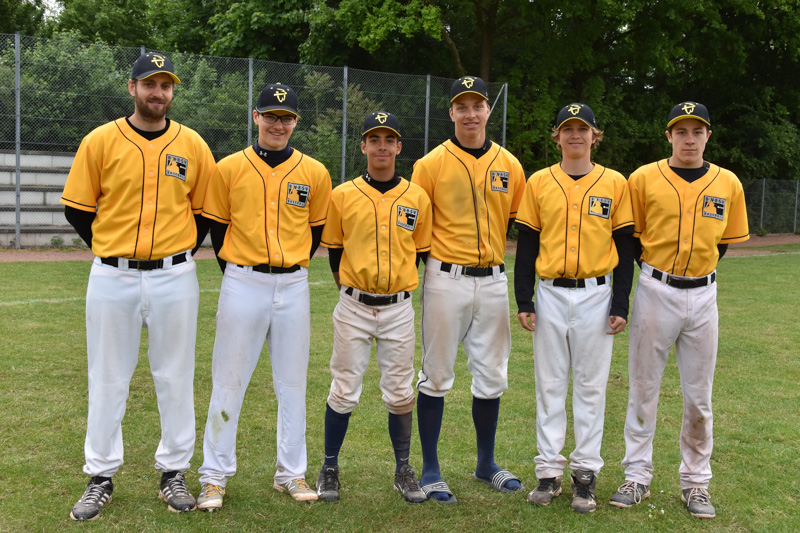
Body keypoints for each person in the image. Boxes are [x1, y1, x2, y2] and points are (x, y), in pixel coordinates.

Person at [61, 52, 216, 520]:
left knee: (175, 376)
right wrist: (112, 247)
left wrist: (180, 251)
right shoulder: (101, 140)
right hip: (113, 275)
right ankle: (100, 475)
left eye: (166, 85)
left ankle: (173, 471)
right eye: (150, 83)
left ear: (172, 92)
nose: (158, 92)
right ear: (132, 88)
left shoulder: (192, 144)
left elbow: (206, 210)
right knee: (108, 376)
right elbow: (77, 208)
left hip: (175, 275)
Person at [609, 101, 749, 519]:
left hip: (704, 295)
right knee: (643, 388)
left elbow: (721, 242)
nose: (690, 139)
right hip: (656, 288)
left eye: (697, 131)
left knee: (699, 398)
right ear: (668, 136)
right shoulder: (643, 178)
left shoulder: (728, 182)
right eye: (681, 132)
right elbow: (630, 238)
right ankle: (636, 476)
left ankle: (696, 483)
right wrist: (656, 276)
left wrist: (696, 274)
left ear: (708, 135)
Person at [196, 84, 332, 510]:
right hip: (243, 281)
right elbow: (218, 230)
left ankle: (290, 472)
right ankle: (214, 476)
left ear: (296, 121)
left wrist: (287, 269)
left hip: (293, 285)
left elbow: (314, 233)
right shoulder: (229, 167)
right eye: (270, 115)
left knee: (292, 383)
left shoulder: (315, 172)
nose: (278, 124)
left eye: (286, 117)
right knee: (228, 382)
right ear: (255, 116)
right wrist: (242, 272)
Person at [514, 103, 634, 513]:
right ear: (557, 136)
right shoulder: (539, 181)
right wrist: (524, 298)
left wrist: (621, 302)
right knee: (549, 384)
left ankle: (585, 474)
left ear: (595, 136)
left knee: (590, 386)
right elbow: (528, 244)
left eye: (583, 129)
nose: (575, 135)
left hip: (597, 294)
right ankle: (548, 472)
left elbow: (625, 246)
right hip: (549, 292)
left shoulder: (615, 183)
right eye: (568, 129)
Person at [411, 76, 526, 503]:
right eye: (463, 106)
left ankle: (485, 464)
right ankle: (430, 468)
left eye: (478, 105)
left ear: (487, 111)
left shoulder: (509, 164)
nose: (471, 113)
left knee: (493, 376)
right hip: (446, 278)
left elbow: (520, 222)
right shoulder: (430, 164)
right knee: (437, 374)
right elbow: (415, 226)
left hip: (494, 278)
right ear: (452, 113)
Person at [314, 111, 432, 504]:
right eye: (374, 139)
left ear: (399, 147)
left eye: (389, 139)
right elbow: (334, 251)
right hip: (354, 306)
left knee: (400, 392)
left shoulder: (416, 196)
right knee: (344, 389)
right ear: (363, 146)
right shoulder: (343, 194)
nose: (381, 146)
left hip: (398, 308)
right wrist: (352, 291)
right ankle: (329, 467)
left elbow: (421, 251)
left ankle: (403, 469)